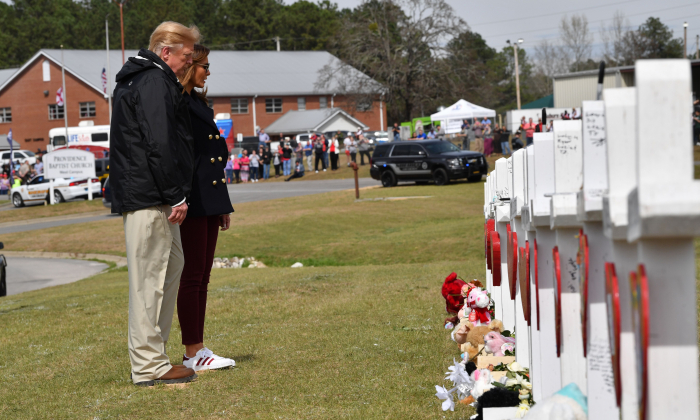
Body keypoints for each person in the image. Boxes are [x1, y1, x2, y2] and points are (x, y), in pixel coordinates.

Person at [110, 21, 199, 387]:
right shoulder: (153, 82)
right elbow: (158, 143)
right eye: (186, 56)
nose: (189, 63)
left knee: (170, 266)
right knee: (149, 280)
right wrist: (175, 193)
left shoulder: (147, 79)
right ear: (166, 52)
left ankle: (155, 356)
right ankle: (148, 366)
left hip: (150, 194)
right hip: (151, 196)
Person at [178, 44, 235, 372]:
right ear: (189, 67)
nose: (208, 72)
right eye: (203, 66)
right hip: (193, 197)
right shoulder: (179, 103)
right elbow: (187, 158)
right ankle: (192, 350)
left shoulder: (196, 101)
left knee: (203, 277)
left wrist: (220, 204)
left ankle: (197, 349)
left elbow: (210, 158)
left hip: (208, 197)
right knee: (192, 276)